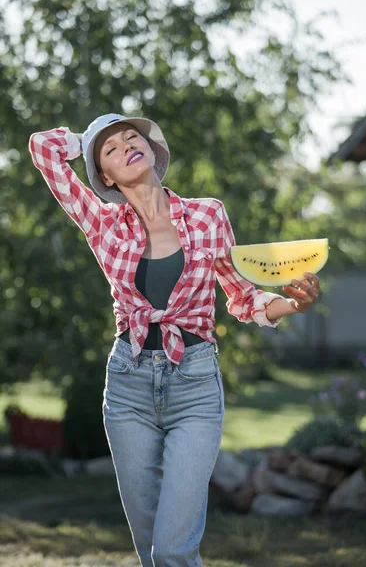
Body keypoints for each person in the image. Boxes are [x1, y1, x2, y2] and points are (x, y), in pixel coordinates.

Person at [29, 113, 320, 566]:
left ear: (152, 149)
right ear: (104, 175)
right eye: (112, 149)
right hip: (128, 386)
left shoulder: (208, 214)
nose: (127, 144)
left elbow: (242, 297)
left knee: (173, 549)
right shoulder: (102, 223)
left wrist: (295, 304)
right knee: (150, 552)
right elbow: (42, 150)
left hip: (195, 385)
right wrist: (89, 138)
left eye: (132, 137)